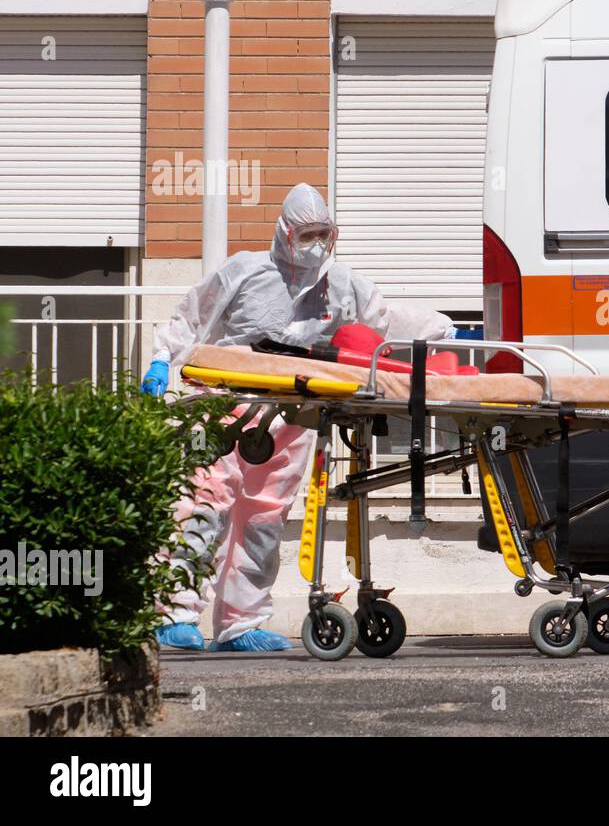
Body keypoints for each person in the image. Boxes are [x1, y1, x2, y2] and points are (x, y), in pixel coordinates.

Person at [142, 183, 478, 651]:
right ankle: (173, 614)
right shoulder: (246, 270)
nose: (316, 243)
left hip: (292, 410)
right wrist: (162, 356)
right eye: (307, 233)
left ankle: (241, 623)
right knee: (204, 503)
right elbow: (193, 315)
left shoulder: (340, 283)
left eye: (325, 233)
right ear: (284, 231)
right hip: (226, 400)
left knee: (264, 517)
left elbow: (383, 320)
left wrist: (447, 327)